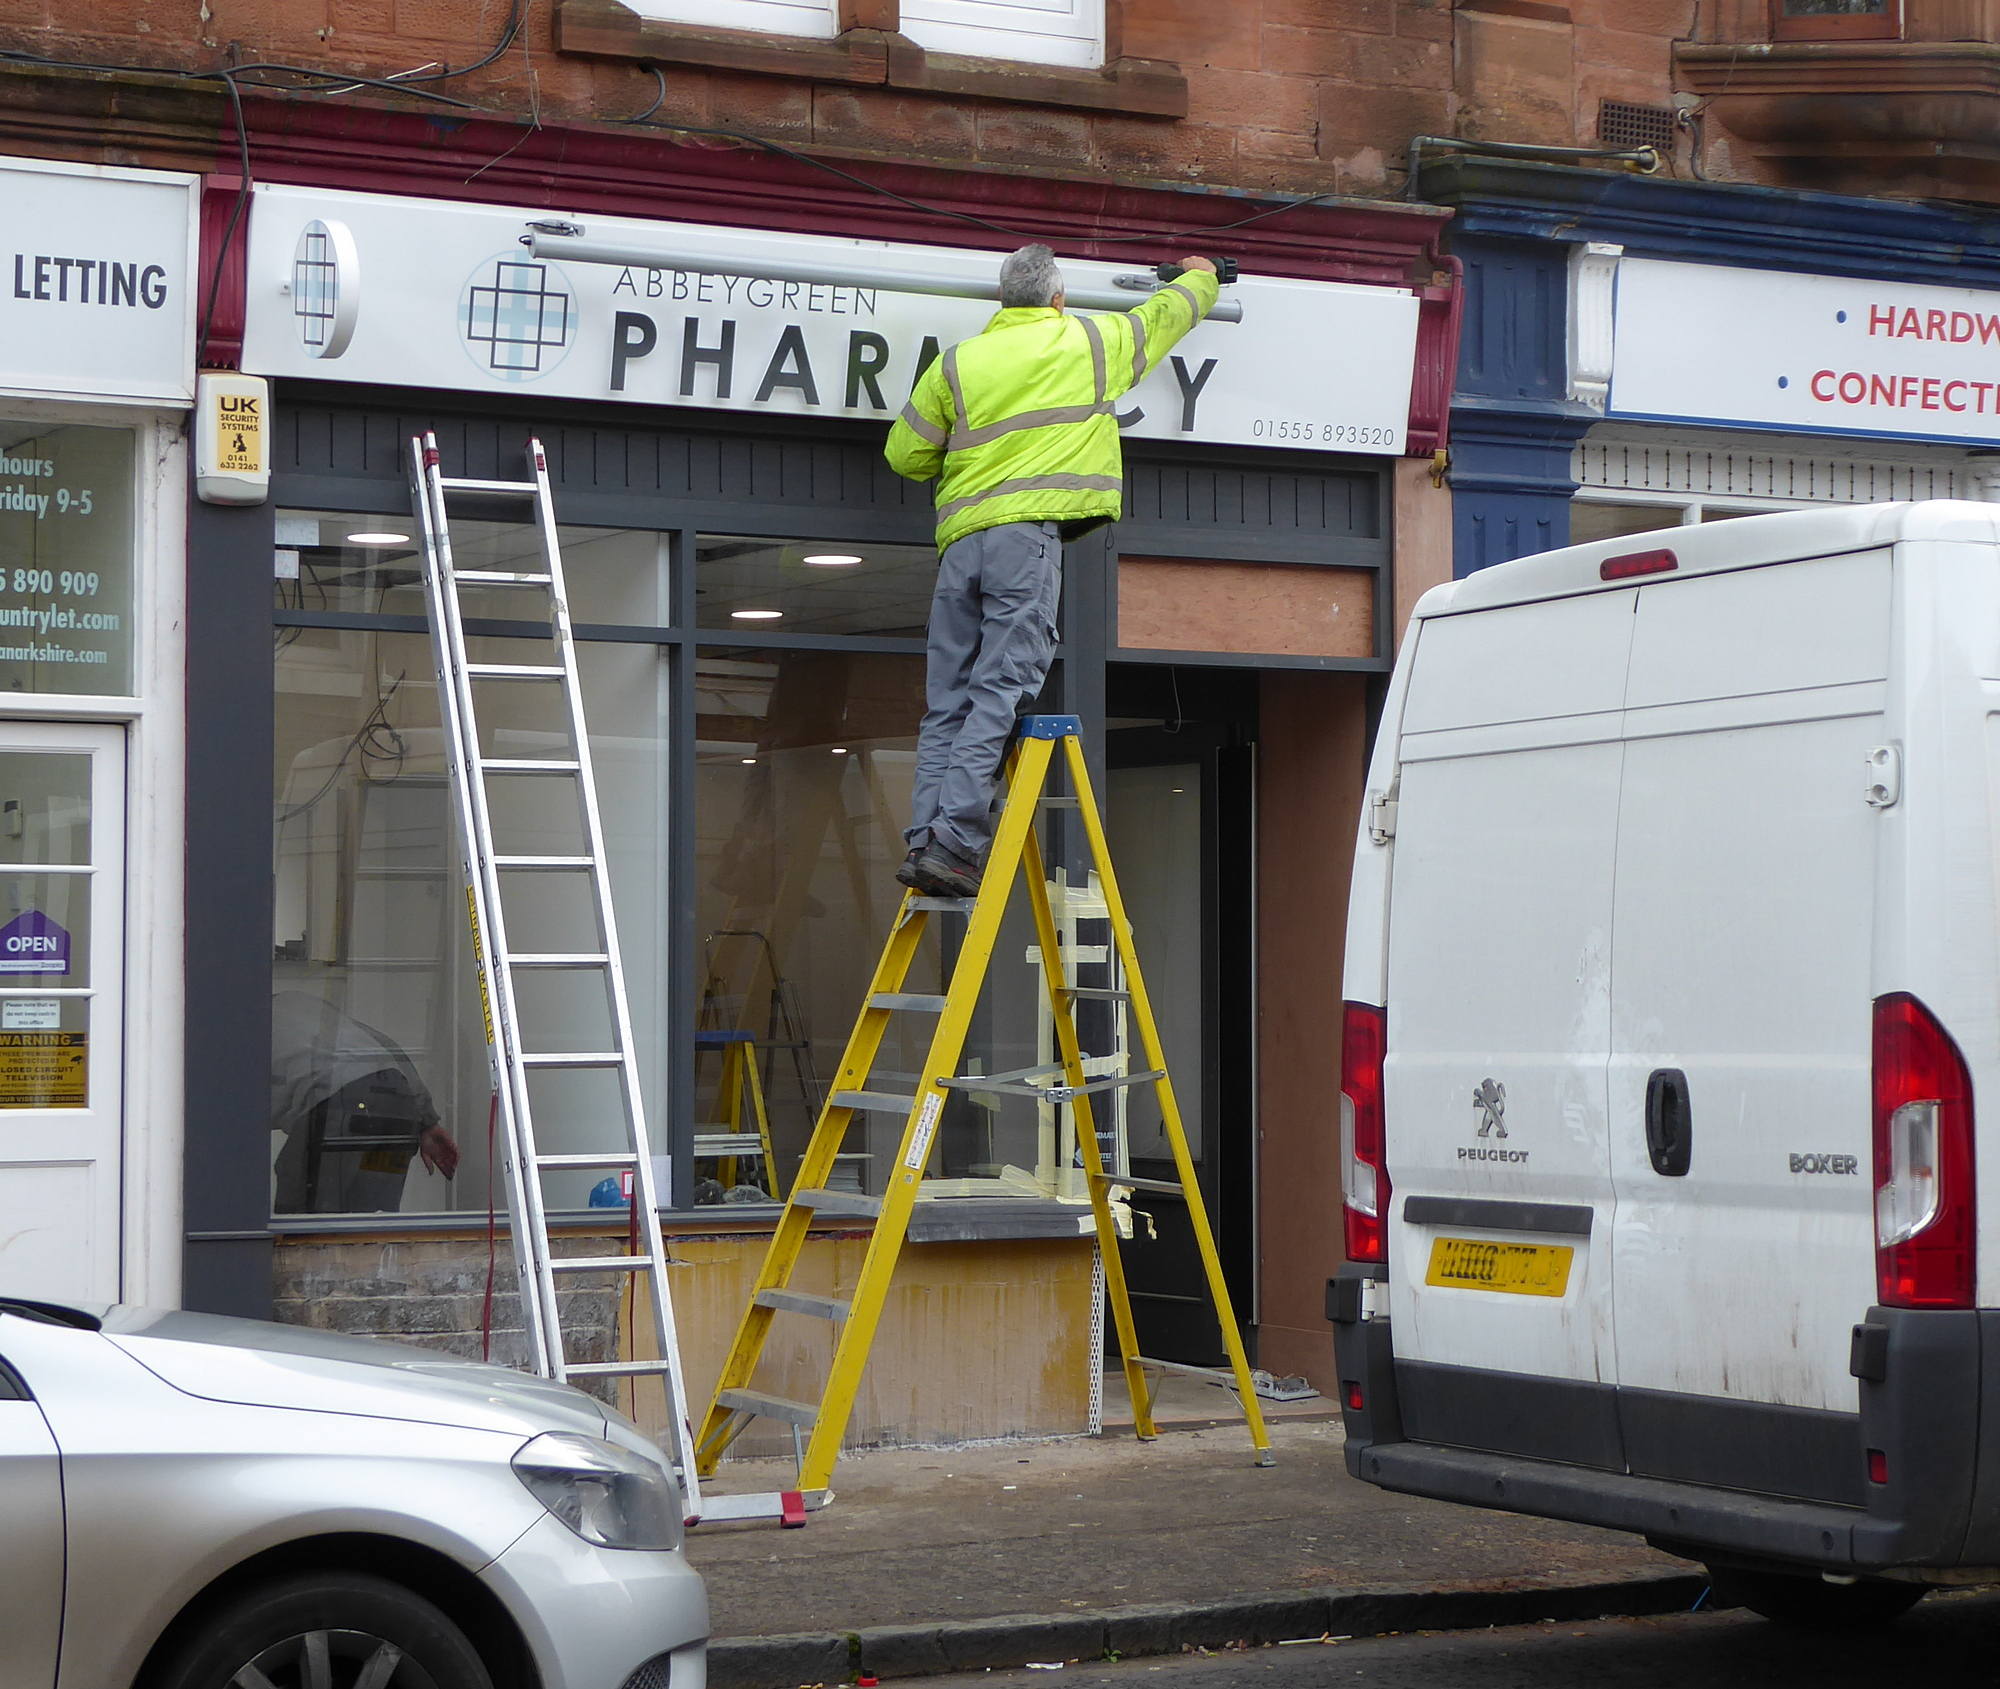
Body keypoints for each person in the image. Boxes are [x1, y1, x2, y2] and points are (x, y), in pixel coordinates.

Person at [884, 243, 1220, 897]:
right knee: (999, 691)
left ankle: (926, 840)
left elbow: (905, 454)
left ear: (1004, 302)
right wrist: (1201, 278)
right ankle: (954, 845)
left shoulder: (958, 363)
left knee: (946, 700)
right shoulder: (1089, 344)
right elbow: (1167, 316)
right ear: (1058, 299)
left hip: (961, 550)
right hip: (1022, 545)